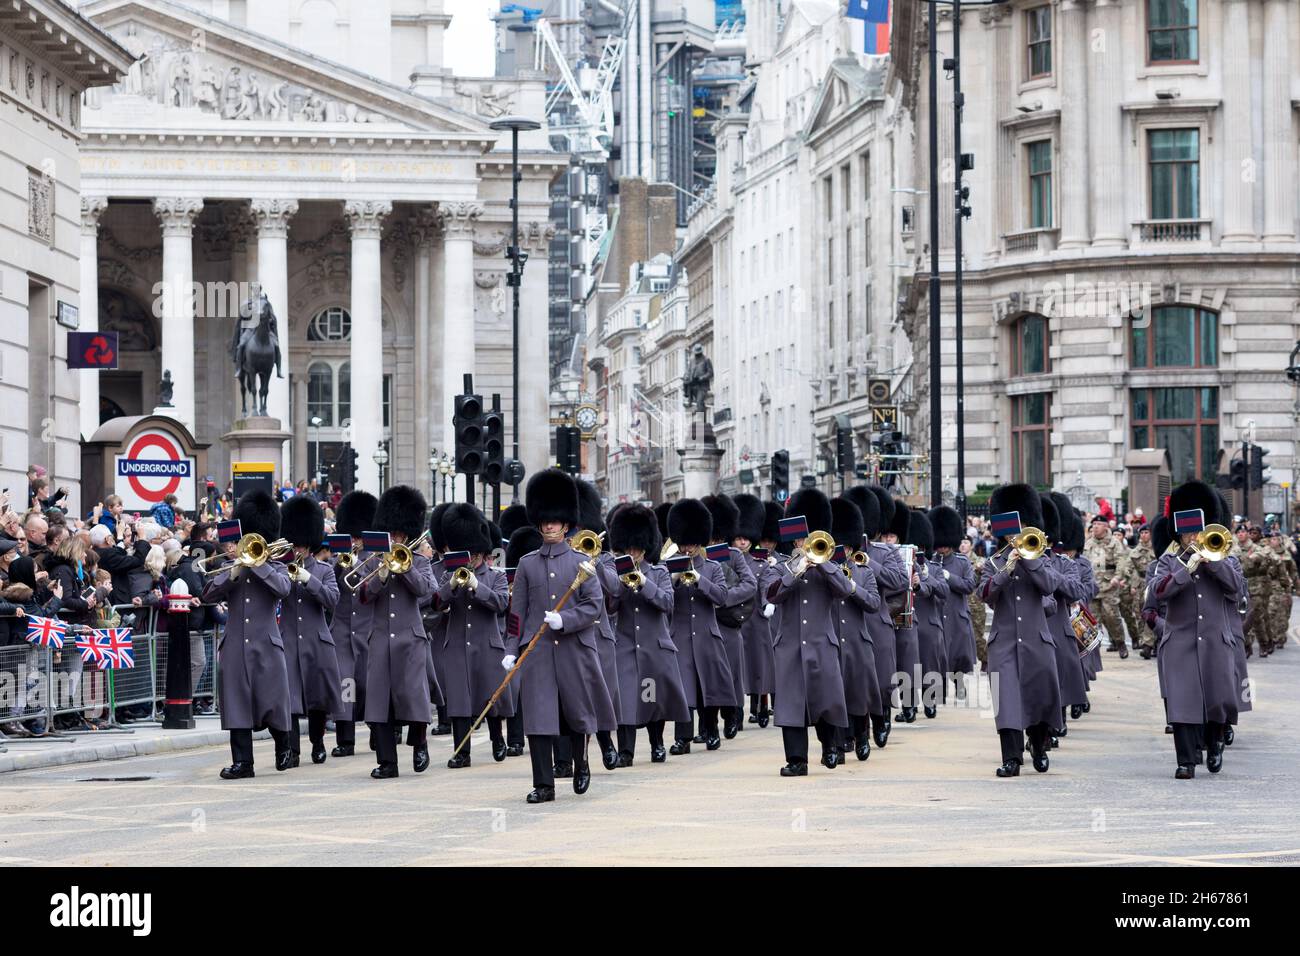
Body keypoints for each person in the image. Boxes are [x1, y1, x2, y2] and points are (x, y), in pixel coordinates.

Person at [503, 469, 614, 804]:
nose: (550, 526)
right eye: (545, 521)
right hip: (536, 652)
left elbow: (594, 606)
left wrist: (563, 619)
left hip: (572, 650)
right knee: (538, 718)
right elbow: (516, 613)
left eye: (555, 521)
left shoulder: (583, 562)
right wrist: (511, 648)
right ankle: (544, 783)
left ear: (566, 524)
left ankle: (581, 764)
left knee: (575, 714)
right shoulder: (526, 564)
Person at [1151, 480, 1242, 779]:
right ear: (1179, 534)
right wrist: (1186, 568)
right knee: (1182, 702)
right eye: (1188, 532)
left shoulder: (1226, 558)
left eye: (1197, 531)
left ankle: (1215, 744)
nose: (1193, 537)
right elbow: (1158, 593)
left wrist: (1212, 562)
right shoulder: (1167, 562)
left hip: (1215, 640)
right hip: (1180, 642)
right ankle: (1186, 761)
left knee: (1216, 700)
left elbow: (1235, 589)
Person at [202, 489, 295, 778]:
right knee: (236, 703)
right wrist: (233, 572)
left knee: (273, 702)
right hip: (234, 646)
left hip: (266, 643)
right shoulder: (232, 568)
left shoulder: (275, 566)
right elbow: (207, 594)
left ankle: (284, 747)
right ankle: (244, 762)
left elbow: (283, 589)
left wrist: (259, 564)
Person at [767, 487, 852, 775]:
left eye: (809, 538)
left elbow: (844, 591)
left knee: (826, 700)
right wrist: (796, 570)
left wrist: (824, 564)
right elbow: (772, 595)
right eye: (801, 538)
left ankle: (831, 747)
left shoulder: (831, 564)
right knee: (791, 706)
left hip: (821, 643)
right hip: (789, 645)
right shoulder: (781, 565)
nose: (805, 543)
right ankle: (796, 760)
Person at [982, 483, 1062, 777]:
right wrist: (1007, 569)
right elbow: (986, 594)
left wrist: (1028, 561)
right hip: (1003, 642)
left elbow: (1050, 586)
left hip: (1036, 639)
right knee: (1007, 702)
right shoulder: (994, 562)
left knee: (1039, 697)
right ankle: (1011, 758)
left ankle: (1039, 746)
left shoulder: (1040, 557)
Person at [361, 485, 436, 779]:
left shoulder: (419, 561)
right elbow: (361, 596)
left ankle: (419, 744)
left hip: (410, 637)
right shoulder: (372, 560)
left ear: (406, 535)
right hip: (380, 638)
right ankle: (387, 762)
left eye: (398, 536)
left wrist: (404, 568)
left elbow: (427, 592)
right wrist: (380, 574)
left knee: (414, 696)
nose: (394, 540)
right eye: (390, 535)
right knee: (379, 702)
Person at [606, 503, 689, 765]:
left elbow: (667, 603)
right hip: (627, 647)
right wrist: (619, 583)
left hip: (654, 648)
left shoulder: (659, 572)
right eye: (628, 548)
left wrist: (643, 583)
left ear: (645, 547)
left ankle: (657, 744)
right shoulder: (618, 573)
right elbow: (610, 608)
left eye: (637, 548)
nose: (633, 553)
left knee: (651, 699)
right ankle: (626, 752)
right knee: (626, 701)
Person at [436, 503, 512, 768]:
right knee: (459, 701)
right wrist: (453, 586)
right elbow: (437, 604)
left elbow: (501, 603)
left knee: (490, 698)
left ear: (481, 552)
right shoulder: (450, 574)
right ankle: (462, 752)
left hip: (487, 644)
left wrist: (477, 586)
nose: (471, 559)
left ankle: (497, 739)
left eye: (475, 555)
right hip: (457, 643)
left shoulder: (495, 577)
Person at [665, 498, 735, 755]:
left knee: (709, 688)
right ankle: (682, 739)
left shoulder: (713, 568)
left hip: (706, 635)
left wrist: (700, 581)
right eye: (684, 543)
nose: (688, 548)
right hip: (680, 637)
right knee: (683, 690)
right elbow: (663, 600)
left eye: (692, 543)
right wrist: (673, 579)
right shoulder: (669, 568)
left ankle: (711, 730)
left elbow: (722, 597)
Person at [279, 495, 342, 766]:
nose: (299, 550)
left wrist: (308, 579)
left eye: (303, 546)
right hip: (289, 641)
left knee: (317, 700)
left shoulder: (325, 570)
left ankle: (317, 742)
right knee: (289, 698)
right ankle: (292, 750)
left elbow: (332, 599)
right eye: (296, 546)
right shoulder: (281, 569)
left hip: (317, 641)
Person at [849, 486, 906, 747]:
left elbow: (899, 581)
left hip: (878, 622)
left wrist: (868, 562)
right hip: (849, 624)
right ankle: (854, 729)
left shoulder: (885, 552)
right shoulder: (839, 552)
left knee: (882, 679)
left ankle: (882, 717)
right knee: (854, 680)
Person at [829, 496, 880, 761]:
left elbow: (873, 603)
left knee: (858, 695)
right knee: (835, 695)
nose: (844, 552)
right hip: (833, 641)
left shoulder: (863, 572)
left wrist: (852, 588)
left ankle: (861, 736)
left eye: (847, 548)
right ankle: (838, 743)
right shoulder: (824, 572)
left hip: (858, 642)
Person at [702, 493, 756, 739]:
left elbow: (750, 585)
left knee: (731, 674)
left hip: (727, 623)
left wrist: (724, 597)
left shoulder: (733, 555)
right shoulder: (697, 557)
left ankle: (733, 714)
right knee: (706, 677)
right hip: (705, 624)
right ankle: (708, 724)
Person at [328, 491, 377, 757]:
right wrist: (339, 564)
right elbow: (332, 587)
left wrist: (357, 563)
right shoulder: (340, 556)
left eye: (358, 536)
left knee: (369, 684)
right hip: (344, 629)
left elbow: (376, 581)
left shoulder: (375, 557)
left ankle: (376, 729)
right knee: (345, 683)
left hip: (369, 628)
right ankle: (345, 739)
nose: (355, 541)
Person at [930, 505, 977, 700]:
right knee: (937, 653)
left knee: (957, 655)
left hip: (957, 615)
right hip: (937, 613)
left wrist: (949, 577)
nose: (942, 547)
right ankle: (937, 689)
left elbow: (969, 586)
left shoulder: (962, 562)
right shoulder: (931, 561)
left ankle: (958, 682)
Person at [742, 499, 782, 726]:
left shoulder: (776, 561)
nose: (767, 544)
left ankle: (770, 704)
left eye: (770, 540)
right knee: (754, 664)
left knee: (769, 664)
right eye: (763, 540)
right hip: (750, 617)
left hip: (771, 618)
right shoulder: (747, 562)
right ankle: (756, 704)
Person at [909, 509, 950, 719]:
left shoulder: (933, 568)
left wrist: (926, 578)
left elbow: (944, 592)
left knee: (929, 664)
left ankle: (930, 699)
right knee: (909, 664)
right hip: (909, 620)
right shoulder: (903, 564)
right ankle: (910, 705)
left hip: (930, 623)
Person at [1084, 513, 1132, 657]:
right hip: (1092, 587)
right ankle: (1093, 651)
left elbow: (1121, 561)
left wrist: (1117, 577)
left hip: (1109, 587)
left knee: (1111, 617)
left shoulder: (1114, 542)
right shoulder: (1088, 542)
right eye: (1093, 525)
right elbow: (1083, 562)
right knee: (1092, 620)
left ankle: (1120, 643)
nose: (1095, 527)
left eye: (1098, 524)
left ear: (1105, 526)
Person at [1127, 524, 1156, 658]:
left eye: (1146, 532)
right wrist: (1132, 585)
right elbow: (1129, 568)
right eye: (1142, 533)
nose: (1144, 535)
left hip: (1154, 583)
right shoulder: (1135, 551)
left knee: (1153, 612)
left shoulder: (1157, 547)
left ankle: (1149, 645)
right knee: (1140, 613)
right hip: (1140, 584)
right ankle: (1144, 641)